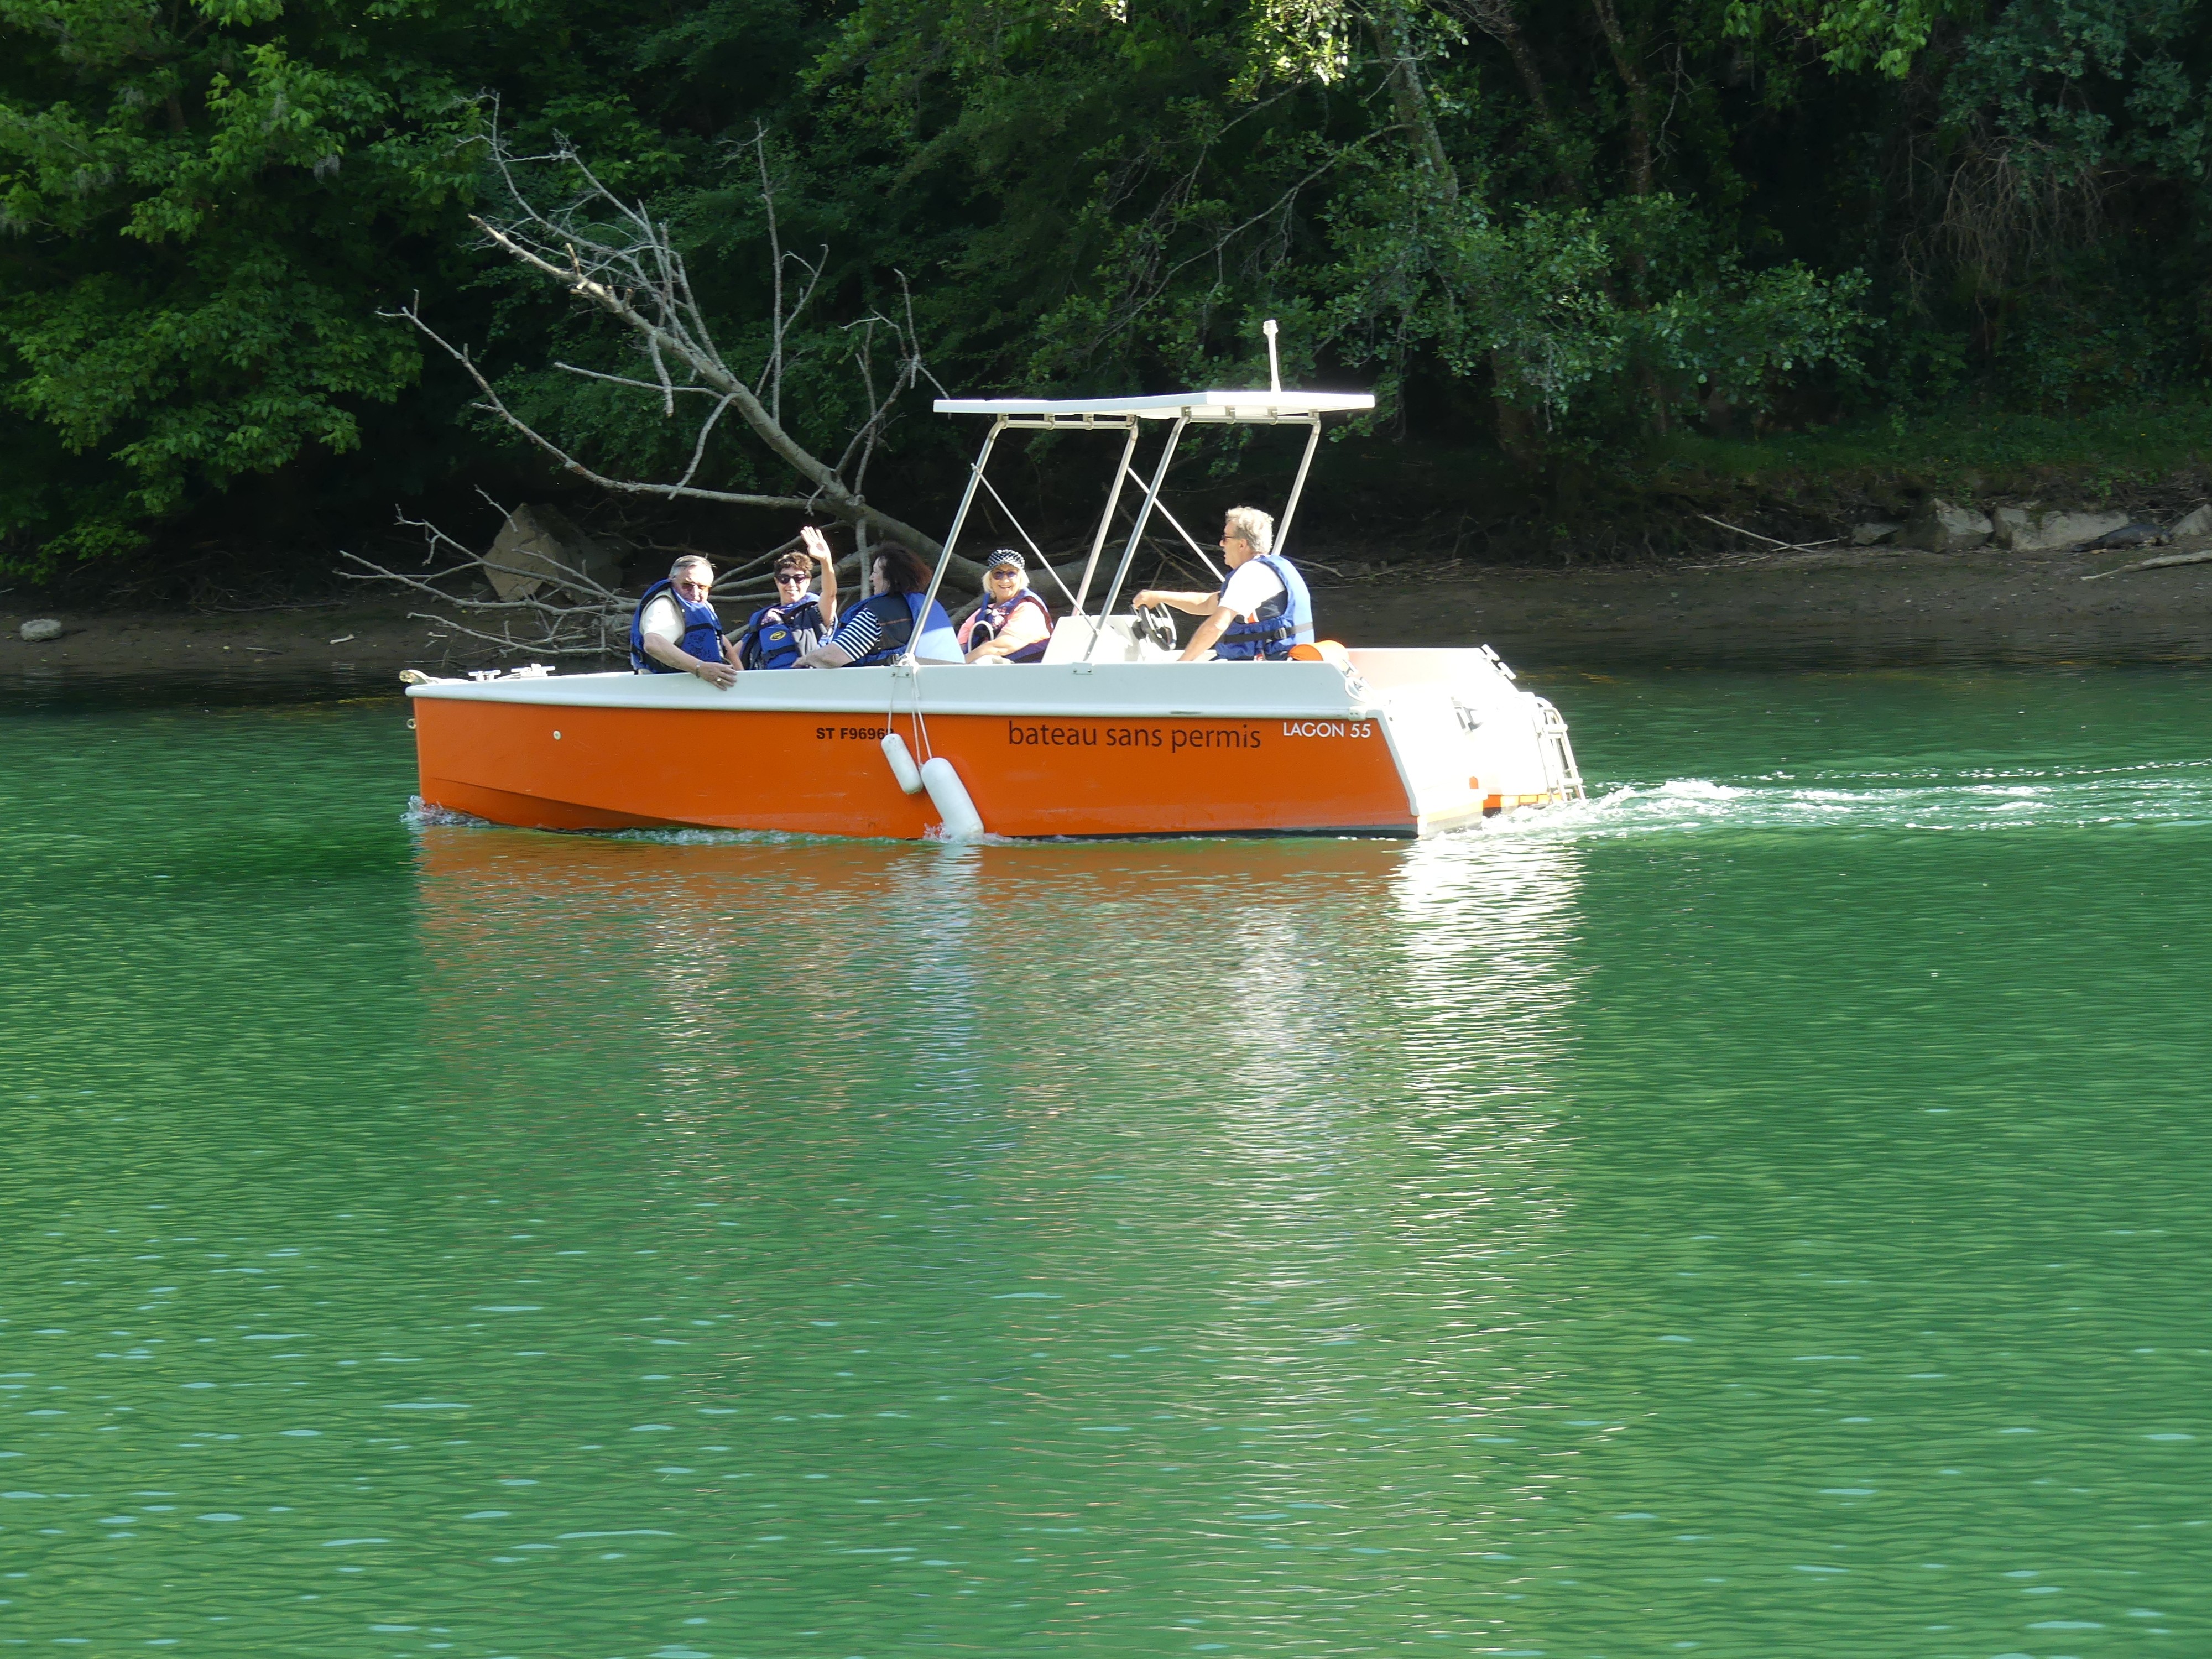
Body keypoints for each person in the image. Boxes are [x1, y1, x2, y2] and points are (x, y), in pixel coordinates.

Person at [1133, 505, 1314, 663]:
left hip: (1267, 668)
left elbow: (1217, 625)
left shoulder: (1251, 573)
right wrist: (1158, 597)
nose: (1221, 544)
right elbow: (1208, 603)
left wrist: (1181, 665)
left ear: (1242, 544)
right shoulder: (1268, 568)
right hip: (1281, 663)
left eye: (1226, 538)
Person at [797, 542, 962, 667]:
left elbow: (834, 656)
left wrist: (807, 659)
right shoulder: (929, 605)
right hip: (944, 685)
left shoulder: (879, 612)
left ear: (892, 578)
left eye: (875, 572)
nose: (871, 579)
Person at [733, 525, 841, 670]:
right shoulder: (764, 617)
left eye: (798, 578)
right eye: (784, 578)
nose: (791, 584)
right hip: (770, 681)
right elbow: (735, 653)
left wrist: (826, 561)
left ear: (808, 581)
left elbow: (830, 595)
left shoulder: (815, 610)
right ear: (777, 581)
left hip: (808, 680)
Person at [630, 554, 739, 686]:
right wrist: (700, 668)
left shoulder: (702, 605)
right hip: (666, 687)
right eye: (687, 585)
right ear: (672, 580)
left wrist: (743, 676)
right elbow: (654, 644)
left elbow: (720, 640)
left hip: (702, 686)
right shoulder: (664, 605)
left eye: (702, 587)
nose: (695, 592)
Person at [959, 550, 1054, 664]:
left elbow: (1001, 647)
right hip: (982, 675)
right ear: (990, 579)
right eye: (998, 574)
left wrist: (961, 664)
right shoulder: (981, 614)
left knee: (985, 661)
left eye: (1011, 573)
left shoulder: (1029, 610)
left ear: (1020, 578)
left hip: (1025, 674)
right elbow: (959, 648)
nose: (1005, 580)